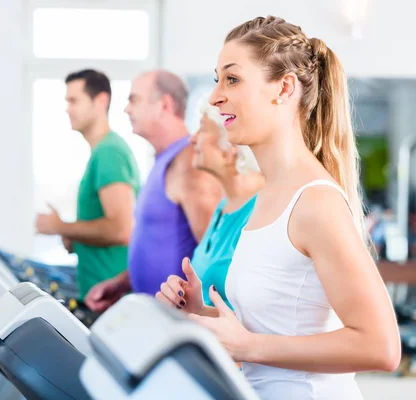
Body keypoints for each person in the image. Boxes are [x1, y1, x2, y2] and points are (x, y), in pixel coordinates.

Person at [158, 16, 401, 400]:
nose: (216, 96)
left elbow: (381, 346)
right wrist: (201, 314)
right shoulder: (271, 194)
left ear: (284, 88)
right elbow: (276, 328)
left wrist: (247, 346)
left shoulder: (315, 201)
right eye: (218, 79)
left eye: (232, 79)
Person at [84, 70, 222, 312]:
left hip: (178, 328)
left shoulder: (190, 164)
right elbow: (162, 242)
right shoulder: (165, 161)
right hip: (155, 320)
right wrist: (122, 282)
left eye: (134, 99)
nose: (126, 109)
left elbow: (215, 260)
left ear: (164, 105)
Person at [35, 69, 140, 301]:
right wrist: (76, 237)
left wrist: (60, 226)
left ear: (100, 101)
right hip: (98, 293)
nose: (67, 109)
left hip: (110, 298)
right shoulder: (101, 152)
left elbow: (121, 229)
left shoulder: (109, 152)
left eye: (74, 101)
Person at [156, 103, 264, 310]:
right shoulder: (223, 206)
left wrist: (199, 313)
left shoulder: (262, 210)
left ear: (232, 147)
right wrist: (182, 297)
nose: (192, 138)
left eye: (202, 129)